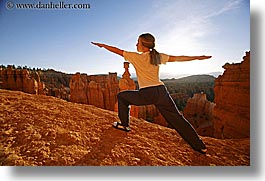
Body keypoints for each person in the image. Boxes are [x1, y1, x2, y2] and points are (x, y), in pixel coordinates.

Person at [91, 33, 211, 154]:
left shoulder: (135, 57)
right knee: (177, 119)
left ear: (143, 45)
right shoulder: (157, 56)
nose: (136, 44)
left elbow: (117, 50)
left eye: (138, 42)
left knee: (122, 97)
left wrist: (103, 45)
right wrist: (197, 57)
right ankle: (199, 146)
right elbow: (178, 58)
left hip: (147, 93)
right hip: (161, 91)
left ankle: (124, 124)